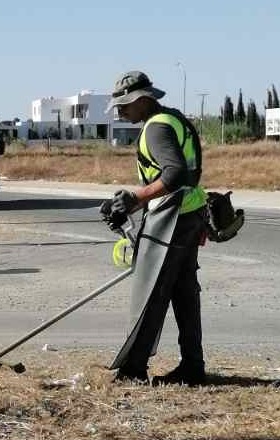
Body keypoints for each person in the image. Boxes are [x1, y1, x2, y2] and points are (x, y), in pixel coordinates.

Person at [105, 70, 209, 386]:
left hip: (173, 219)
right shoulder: (173, 119)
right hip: (189, 212)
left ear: (143, 100)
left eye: (125, 105)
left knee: (152, 290)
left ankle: (133, 369)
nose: (121, 111)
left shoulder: (156, 128)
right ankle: (193, 366)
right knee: (183, 293)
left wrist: (136, 198)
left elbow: (175, 173)